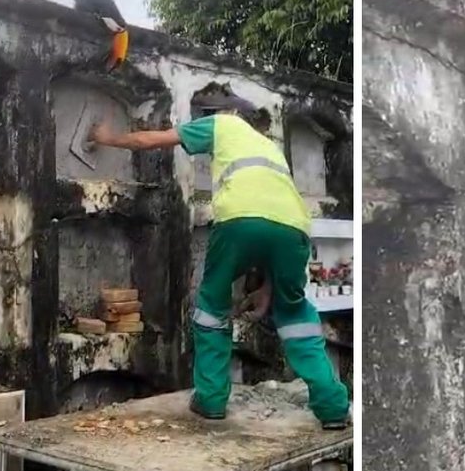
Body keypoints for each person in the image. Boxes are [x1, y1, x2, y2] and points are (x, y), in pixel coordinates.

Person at [87, 94, 350, 429]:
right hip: (295, 229)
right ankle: (333, 408)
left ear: (227, 113)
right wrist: (267, 291)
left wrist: (105, 137)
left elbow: (152, 139)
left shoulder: (222, 124)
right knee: (296, 314)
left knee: (212, 304)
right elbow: (275, 223)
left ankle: (211, 399)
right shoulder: (270, 149)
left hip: (238, 220)